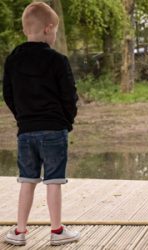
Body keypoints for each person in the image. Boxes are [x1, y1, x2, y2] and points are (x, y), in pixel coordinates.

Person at [2, 2, 79, 246]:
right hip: (54, 129)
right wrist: (67, 121)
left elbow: (8, 94)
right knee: (54, 181)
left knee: (27, 180)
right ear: (48, 29)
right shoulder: (57, 60)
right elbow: (69, 95)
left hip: (26, 131)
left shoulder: (13, 59)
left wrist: (23, 118)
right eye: (55, 31)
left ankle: (20, 231)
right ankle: (56, 231)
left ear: (26, 29)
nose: (55, 35)